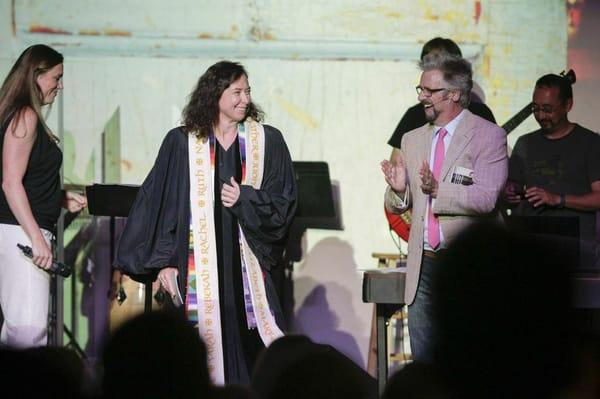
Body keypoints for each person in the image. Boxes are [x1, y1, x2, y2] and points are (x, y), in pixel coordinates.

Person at [114, 61, 297, 385]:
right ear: (215, 95)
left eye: (247, 91)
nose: (245, 99)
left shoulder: (266, 142)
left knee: (255, 350)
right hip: (195, 269)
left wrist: (246, 200)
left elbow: (284, 204)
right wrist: (165, 263)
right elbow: (160, 206)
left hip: (248, 272)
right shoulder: (181, 143)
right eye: (236, 92)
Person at [381, 52, 508, 363]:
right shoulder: (412, 139)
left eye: (430, 91)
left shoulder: (488, 136)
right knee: (425, 362)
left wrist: (439, 190)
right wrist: (399, 192)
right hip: (423, 264)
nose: (422, 97)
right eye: (420, 89)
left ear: (453, 94)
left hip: (466, 265)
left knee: (469, 358)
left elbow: (486, 198)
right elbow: (398, 202)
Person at [0, 44, 87, 349]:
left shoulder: (22, 115)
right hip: (20, 235)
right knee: (29, 332)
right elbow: (10, 182)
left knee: (18, 331)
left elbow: (26, 178)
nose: (59, 85)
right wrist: (37, 238)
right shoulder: (25, 115)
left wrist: (59, 197)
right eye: (56, 77)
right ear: (36, 76)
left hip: (18, 232)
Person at [504, 73, 600, 270]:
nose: (540, 116)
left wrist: (558, 199)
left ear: (568, 105)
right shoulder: (525, 143)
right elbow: (511, 185)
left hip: (576, 246)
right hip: (529, 242)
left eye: (547, 109)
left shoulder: (590, 143)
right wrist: (509, 192)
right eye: (536, 109)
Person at [387, 37, 496, 166]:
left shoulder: (480, 113)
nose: (430, 68)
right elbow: (396, 166)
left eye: (437, 63)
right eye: (426, 63)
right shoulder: (414, 115)